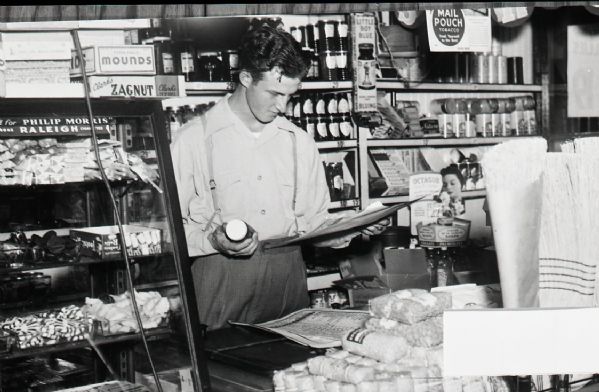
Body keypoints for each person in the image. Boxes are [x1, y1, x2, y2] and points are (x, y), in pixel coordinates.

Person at [171, 25, 389, 330]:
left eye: (290, 95)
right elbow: (169, 233)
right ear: (246, 78)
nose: (282, 107)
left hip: (288, 281)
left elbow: (314, 224)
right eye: (274, 93)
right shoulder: (193, 140)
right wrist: (212, 240)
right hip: (220, 280)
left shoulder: (299, 142)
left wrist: (357, 224)